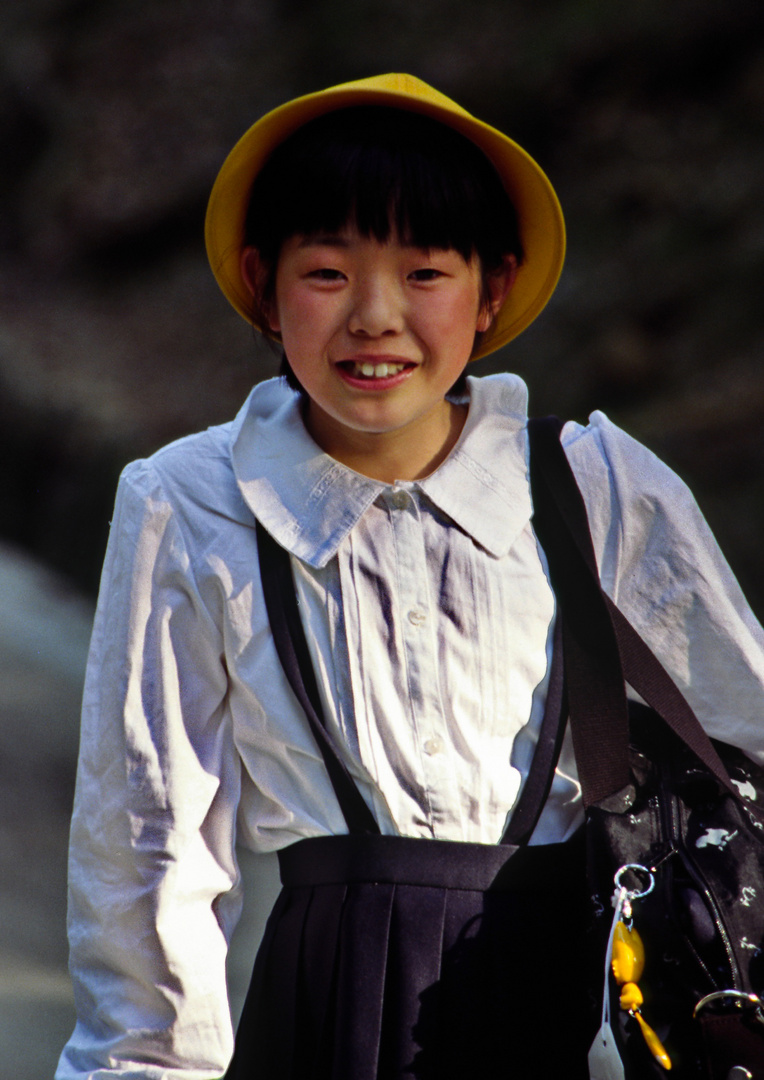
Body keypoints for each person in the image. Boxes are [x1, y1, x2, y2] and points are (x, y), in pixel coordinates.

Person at [56, 73, 764, 1080]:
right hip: (324, 1011)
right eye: (328, 273)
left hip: (587, 1013)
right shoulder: (190, 500)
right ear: (262, 283)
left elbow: (741, 733)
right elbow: (147, 842)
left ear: (494, 290)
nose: (374, 317)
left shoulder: (595, 483)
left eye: (425, 272)